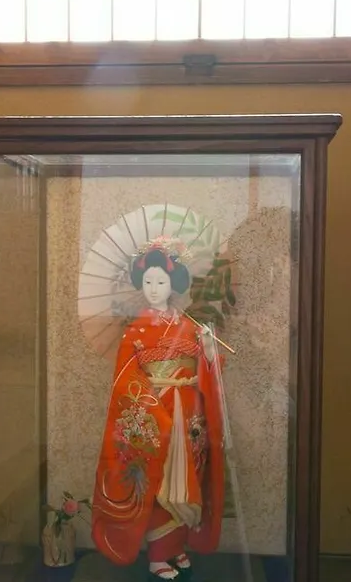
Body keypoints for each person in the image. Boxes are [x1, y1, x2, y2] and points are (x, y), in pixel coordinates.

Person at [91, 239, 226, 581]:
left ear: (173, 284)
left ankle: (176, 547)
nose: (153, 289)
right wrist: (152, 411)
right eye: (148, 281)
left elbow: (208, 367)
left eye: (161, 281)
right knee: (158, 481)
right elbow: (125, 380)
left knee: (190, 475)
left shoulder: (189, 324)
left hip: (189, 413)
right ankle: (157, 557)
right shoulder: (134, 330)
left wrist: (209, 350)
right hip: (156, 413)